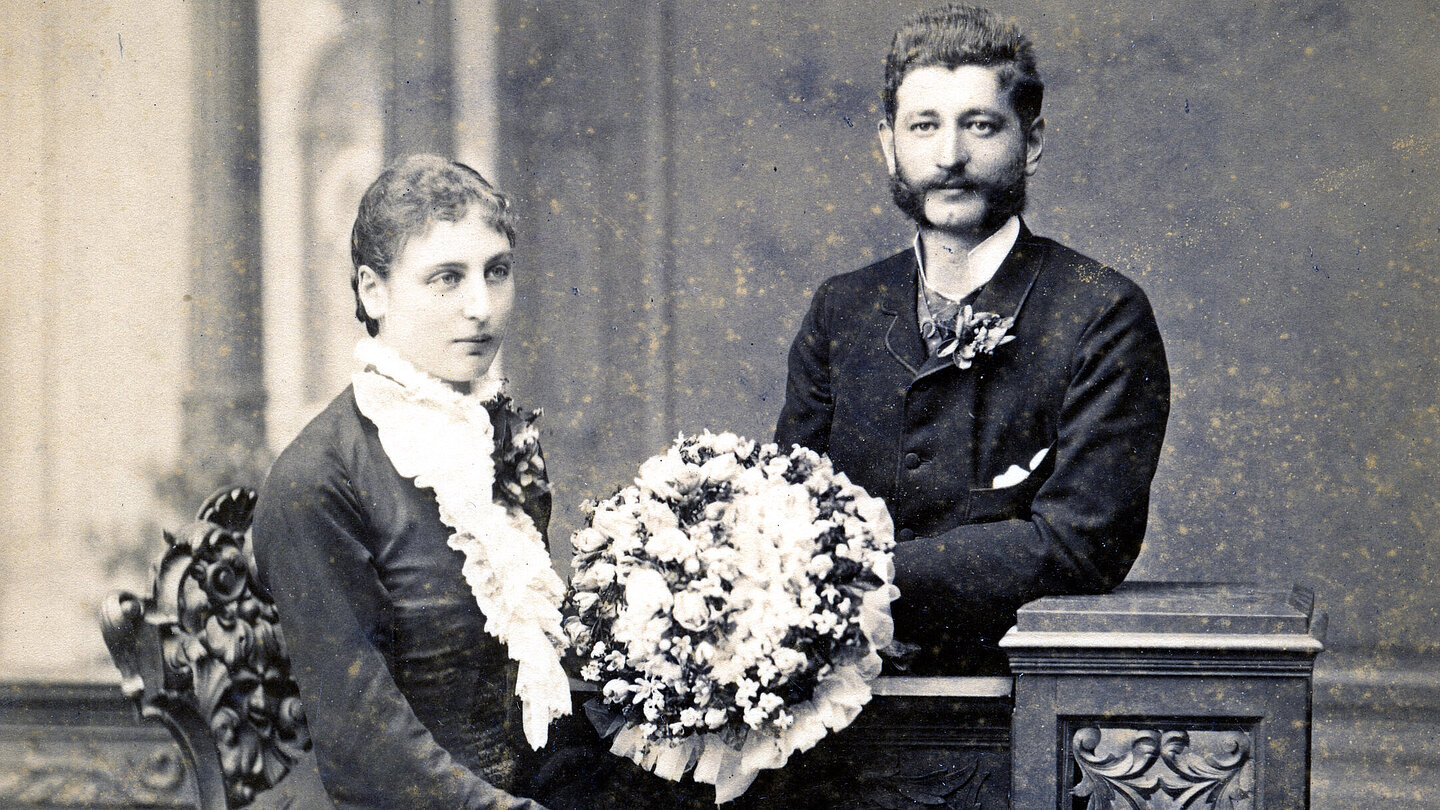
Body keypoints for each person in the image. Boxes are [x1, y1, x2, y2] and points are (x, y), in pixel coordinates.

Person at [774, 4, 1170, 675]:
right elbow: (783, 513)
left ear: (1032, 141)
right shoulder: (842, 308)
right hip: (837, 704)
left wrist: (866, 571)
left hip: (1016, 703)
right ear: (887, 143)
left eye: (980, 126)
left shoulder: (1102, 312)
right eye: (923, 126)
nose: (950, 156)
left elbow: (1082, 543)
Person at [253, 155, 572, 809]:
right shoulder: (319, 479)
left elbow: (526, 683)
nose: (481, 307)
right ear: (374, 292)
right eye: (446, 278)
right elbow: (364, 746)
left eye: (497, 272)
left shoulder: (492, 439)